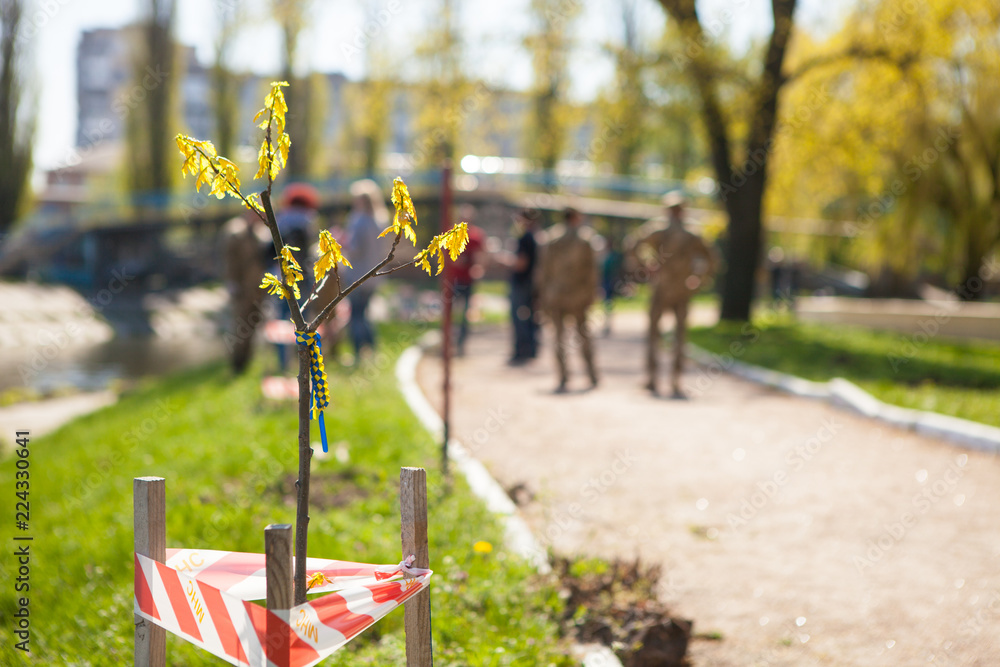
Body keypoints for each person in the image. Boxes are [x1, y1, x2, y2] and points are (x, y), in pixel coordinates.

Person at [628, 191, 717, 398]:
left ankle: (652, 378)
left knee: (654, 334)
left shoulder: (658, 230)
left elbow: (632, 245)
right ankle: (675, 380)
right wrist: (698, 279)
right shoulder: (692, 234)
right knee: (679, 336)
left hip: (661, 287)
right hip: (682, 289)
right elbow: (712, 260)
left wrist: (645, 267)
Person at [539, 206, 599, 392]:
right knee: (583, 335)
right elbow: (591, 271)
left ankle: (563, 376)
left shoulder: (550, 238)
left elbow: (543, 271)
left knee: (558, 337)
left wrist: (542, 295)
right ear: (576, 217)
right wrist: (592, 294)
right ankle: (591, 374)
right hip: (578, 296)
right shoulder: (585, 239)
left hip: (556, 295)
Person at [269, 183, 320, 372]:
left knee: (281, 318)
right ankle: (304, 362)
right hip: (303, 276)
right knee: (303, 319)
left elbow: (271, 248)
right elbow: (311, 249)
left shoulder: (280, 219)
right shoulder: (309, 219)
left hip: (281, 276)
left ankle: (283, 363)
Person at [343, 179, 391, 361]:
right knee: (365, 314)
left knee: (356, 315)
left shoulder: (358, 221)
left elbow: (354, 249)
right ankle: (372, 351)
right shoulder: (379, 220)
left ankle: (358, 355)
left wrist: (340, 243)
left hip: (357, 275)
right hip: (374, 276)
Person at [221, 211, 269, 373]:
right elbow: (229, 260)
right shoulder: (236, 231)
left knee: (252, 325)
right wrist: (232, 282)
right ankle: (237, 365)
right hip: (242, 289)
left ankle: (247, 363)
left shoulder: (260, 231)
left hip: (257, 289)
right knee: (240, 326)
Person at [442, 204, 485, 356]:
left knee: (465, 312)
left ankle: (461, 343)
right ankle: (447, 341)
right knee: (449, 311)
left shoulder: (476, 235)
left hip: (467, 279)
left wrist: (477, 269)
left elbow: (480, 257)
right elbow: (444, 255)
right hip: (452, 279)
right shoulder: (450, 233)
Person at [507, 208, 541, 364]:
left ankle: (522, 350)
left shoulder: (525, 238)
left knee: (519, 317)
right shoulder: (536, 237)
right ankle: (531, 348)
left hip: (522, 283)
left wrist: (505, 261)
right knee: (530, 316)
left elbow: (521, 263)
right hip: (531, 283)